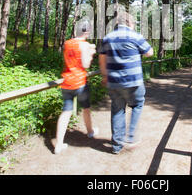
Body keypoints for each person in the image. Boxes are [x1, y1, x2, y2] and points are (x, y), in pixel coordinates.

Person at [98, 11, 153, 154]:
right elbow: (149, 52)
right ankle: (130, 137)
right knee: (137, 105)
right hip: (133, 81)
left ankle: (116, 146)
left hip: (114, 82)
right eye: (134, 23)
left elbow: (102, 60)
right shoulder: (136, 36)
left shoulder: (107, 38)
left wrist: (105, 76)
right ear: (130, 23)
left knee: (117, 110)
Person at [54, 20, 98, 154]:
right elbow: (85, 65)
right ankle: (90, 132)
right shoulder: (84, 45)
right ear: (87, 32)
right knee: (86, 109)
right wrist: (91, 53)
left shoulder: (67, 43)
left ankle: (59, 144)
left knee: (66, 112)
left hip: (66, 82)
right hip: (80, 83)